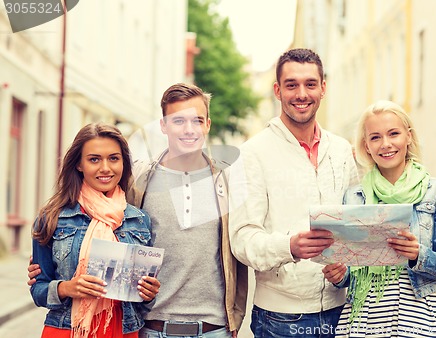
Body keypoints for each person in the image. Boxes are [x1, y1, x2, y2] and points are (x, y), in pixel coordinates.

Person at [29, 84, 247, 338]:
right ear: (163, 125)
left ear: (207, 124)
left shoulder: (229, 182)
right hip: (149, 328)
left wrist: (236, 319)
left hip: (214, 330)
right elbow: (44, 279)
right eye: (178, 120)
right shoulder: (139, 182)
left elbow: (242, 250)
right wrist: (55, 276)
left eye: (196, 120)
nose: (189, 129)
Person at [228, 48, 359, 338]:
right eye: (291, 85)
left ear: (323, 88)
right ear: (277, 90)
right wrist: (289, 246)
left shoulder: (342, 151)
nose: (302, 93)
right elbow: (242, 238)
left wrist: (347, 269)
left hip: (344, 312)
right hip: (282, 319)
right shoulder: (251, 154)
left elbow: (355, 224)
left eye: (310, 84)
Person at [322, 100, 436, 337]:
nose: (385, 144)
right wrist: (339, 276)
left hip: (418, 319)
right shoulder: (353, 197)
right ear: (366, 145)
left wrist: (418, 255)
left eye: (393, 134)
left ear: (408, 136)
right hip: (362, 321)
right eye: (375, 137)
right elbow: (349, 271)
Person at [30, 123, 160, 338]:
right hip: (67, 330)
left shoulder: (139, 220)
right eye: (94, 159)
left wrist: (148, 293)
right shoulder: (52, 218)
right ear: (79, 164)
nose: (105, 168)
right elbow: (38, 290)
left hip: (122, 330)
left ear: (123, 163)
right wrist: (66, 288)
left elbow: (143, 296)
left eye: (114, 158)